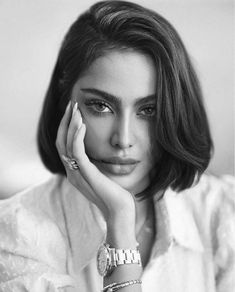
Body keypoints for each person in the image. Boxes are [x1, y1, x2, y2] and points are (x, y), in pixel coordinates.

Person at [0, 1, 234, 291]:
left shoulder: (224, 213)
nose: (123, 140)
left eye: (149, 110)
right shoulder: (14, 233)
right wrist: (120, 220)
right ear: (65, 100)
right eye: (101, 106)